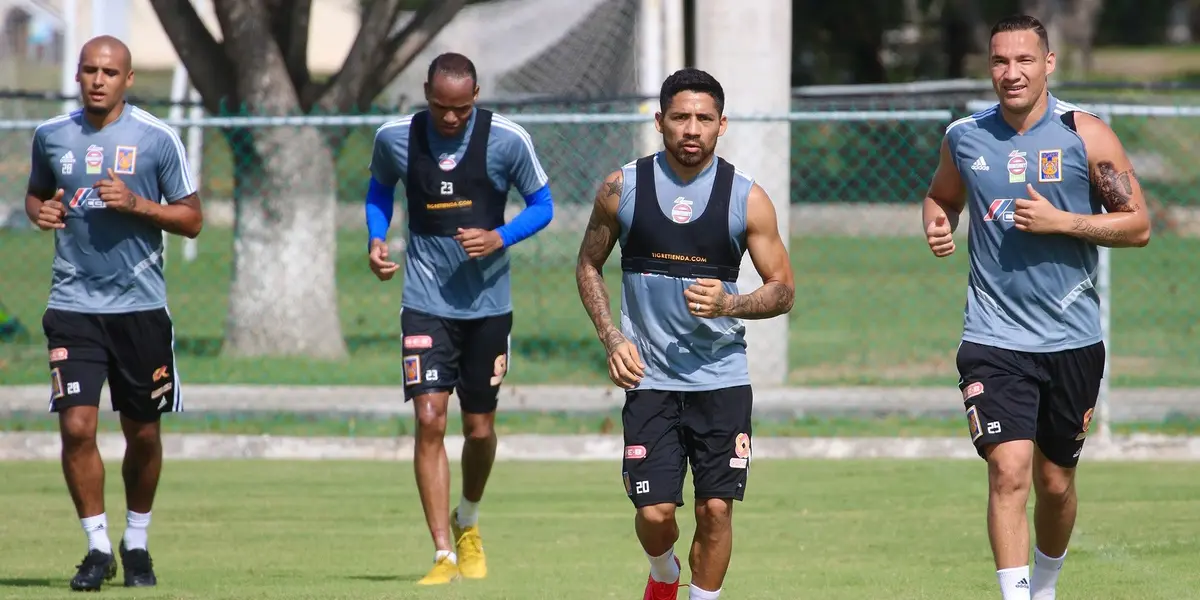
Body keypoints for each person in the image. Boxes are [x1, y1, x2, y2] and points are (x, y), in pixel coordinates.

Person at [922, 15, 1150, 600]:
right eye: (1000, 61)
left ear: (1049, 63)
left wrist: (1062, 223)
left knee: (1054, 483)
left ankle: (1045, 585)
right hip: (993, 337)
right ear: (989, 67)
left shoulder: (1086, 134)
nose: (1011, 73)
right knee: (1009, 471)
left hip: (1072, 339)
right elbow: (941, 195)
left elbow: (1139, 225)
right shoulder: (964, 136)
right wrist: (938, 222)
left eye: (1024, 60)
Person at [575, 68, 794, 600]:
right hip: (649, 379)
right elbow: (588, 265)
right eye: (679, 118)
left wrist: (730, 302)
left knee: (716, 509)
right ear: (659, 122)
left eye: (702, 118)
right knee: (654, 514)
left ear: (722, 125)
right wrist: (612, 337)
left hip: (721, 379)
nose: (691, 129)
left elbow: (783, 289)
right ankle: (664, 571)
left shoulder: (747, 198)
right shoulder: (621, 188)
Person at [365, 52, 554, 585]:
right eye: (440, 107)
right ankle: (443, 554)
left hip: (489, 305)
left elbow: (543, 205)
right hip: (425, 300)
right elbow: (380, 189)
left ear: (476, 98)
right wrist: (377, 238)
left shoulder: (507, 140)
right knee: (429, 419)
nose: (450, 119)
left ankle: (467, 518)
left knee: (478, 428)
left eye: (461, 110)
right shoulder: (395, 137)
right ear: (426, 93)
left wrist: (499, 236)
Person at [25, 36, 203, 591]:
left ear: (128, 79)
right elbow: (35, 194)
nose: (98, 80)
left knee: (142, 435)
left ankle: (138, 542)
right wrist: (42, 210)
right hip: (73, 305)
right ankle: (98, 548)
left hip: (139, 309)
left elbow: (193, 219)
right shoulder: (52, 136)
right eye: (89, 70)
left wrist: (138, 206)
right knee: (77, 426)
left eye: (110, 71)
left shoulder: (156, 140)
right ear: (77, 76)